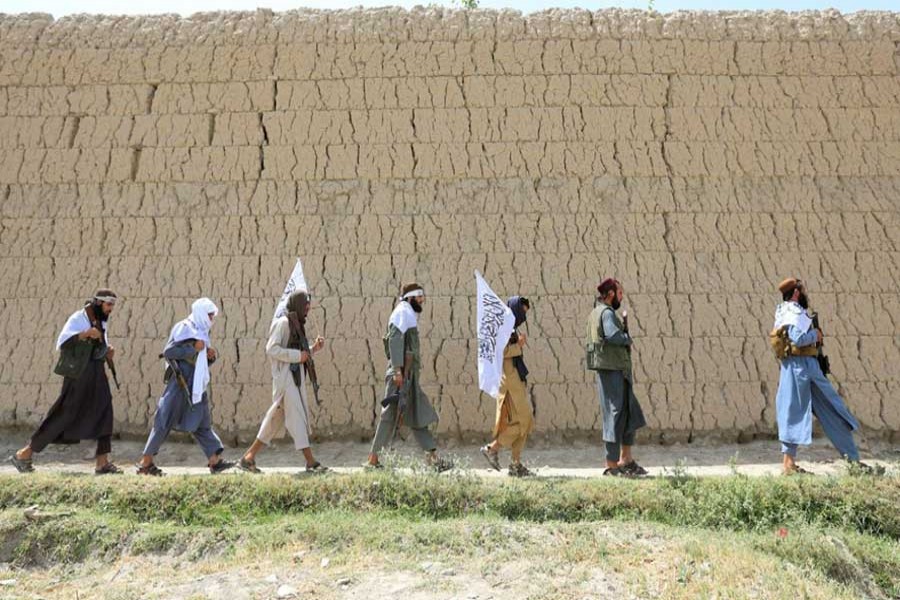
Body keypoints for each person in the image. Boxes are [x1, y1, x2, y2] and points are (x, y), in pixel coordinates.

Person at [10, 290, 121, 475]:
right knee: (64, 414)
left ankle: (102, 463)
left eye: (113, 305)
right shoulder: (79, 318)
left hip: (96, 374)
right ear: (98, 303)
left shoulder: (101, 321)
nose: (111, 309)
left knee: (105, 412)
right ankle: (24, 454)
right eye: (108, 305)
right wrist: (85, 334)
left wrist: (107, 351)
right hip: (78, 375)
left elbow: (97, 347)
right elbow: (63, 343)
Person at [772, 278, 873, 475]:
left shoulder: (783, 311)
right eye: (802, 290)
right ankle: (788, 465)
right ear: (795, 293)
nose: (804, 293)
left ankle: (852, 460)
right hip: (800, 367)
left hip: (801, 367)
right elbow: (798, 339)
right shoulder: (793, 312)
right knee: (800, 411)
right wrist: (815, 336)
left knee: (826, 409)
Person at [136, 298, 234, 476]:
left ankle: (215, 460)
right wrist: (194, 349)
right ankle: (146, 463)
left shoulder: (201, 331)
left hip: (196, 383)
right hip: (180, 382)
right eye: (210, 315)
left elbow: (199, 360)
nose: (212, 319)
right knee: (164, 420)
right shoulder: (185, 328)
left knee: (202, 421)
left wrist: (209, 356)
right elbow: (169, 352)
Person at [238, 291, 328, 474]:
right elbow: (272, 349)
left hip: (293, 380)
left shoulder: (296, 325)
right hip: (286, 380)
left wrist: (313, 350)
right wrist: (298, 356)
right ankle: (311, 462)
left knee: (273, 421)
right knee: (298, 419)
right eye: (305, 305)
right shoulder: (283, 323)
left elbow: (299, 353)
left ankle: (248, 458)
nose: (308, 309)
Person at [367, 283, 452, 472]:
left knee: (417, 413)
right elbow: (395, 341)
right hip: (400, 375)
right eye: (419, 297)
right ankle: (373, 460)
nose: (422, 300)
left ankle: (433, 459)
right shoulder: (402, 312)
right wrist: (397, 370)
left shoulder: (408, 314)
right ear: (411, 298)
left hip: (408, 375)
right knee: (389, 416)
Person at [586, 278, 647, 477]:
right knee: (614, 416)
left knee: (629, 412)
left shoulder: (598, 312)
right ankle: (612, 465)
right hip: (612, 372)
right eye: (619, 293)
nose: (621, 297)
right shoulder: (606, 314)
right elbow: (612, 336)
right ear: (611, 294)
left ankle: (626, 459)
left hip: (616, 371)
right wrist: (626, 338)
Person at [480, 296, 535, 477]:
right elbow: (500, 352)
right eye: (522, 312)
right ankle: (493, 448)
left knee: (521, 423)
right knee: (525, 421)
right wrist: (519, 346)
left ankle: (515, 464)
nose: (523, 317)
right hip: (510, 380)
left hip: (514, 379)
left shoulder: (511, 327)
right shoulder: (503, 328)